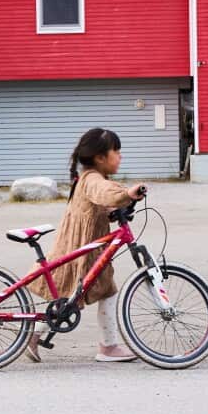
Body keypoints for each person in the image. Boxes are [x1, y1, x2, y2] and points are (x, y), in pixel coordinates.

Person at [26, 127, 146, 363]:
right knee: (71, 295)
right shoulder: (92, 179)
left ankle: (107, 346)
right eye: (117, 151)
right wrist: (127, 193)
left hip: (89, 247)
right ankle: (106, 346)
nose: (120, 156)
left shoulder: (93, 178)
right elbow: (105, 193)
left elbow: (103, 200)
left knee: (93, 292)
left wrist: (117, 209)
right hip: (80, 247)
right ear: (100, 157)